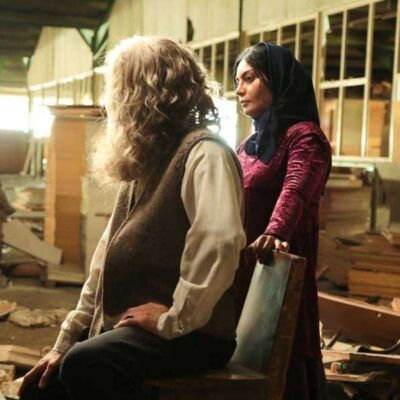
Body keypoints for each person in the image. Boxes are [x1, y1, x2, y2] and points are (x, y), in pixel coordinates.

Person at [19, 36, 246, 400]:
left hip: (195, 335)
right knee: (43, 386)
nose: (111, 104)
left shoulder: (205, 153)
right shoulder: (147, 162)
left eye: (118, 90)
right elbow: (103, 263)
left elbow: (219, 242)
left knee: (84, 365)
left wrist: (174, 319)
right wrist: (66, 339)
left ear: (145, 94)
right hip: (145, 328)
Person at [234, 42, 332, 400]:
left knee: (280, 362)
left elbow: (296, 189)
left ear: (275, 80)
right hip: (242, 272)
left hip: (275, 272)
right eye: (237, 81)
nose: (239, 89)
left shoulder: (305, 137)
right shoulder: (248, 146)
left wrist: (276, 230)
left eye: (249, 78)